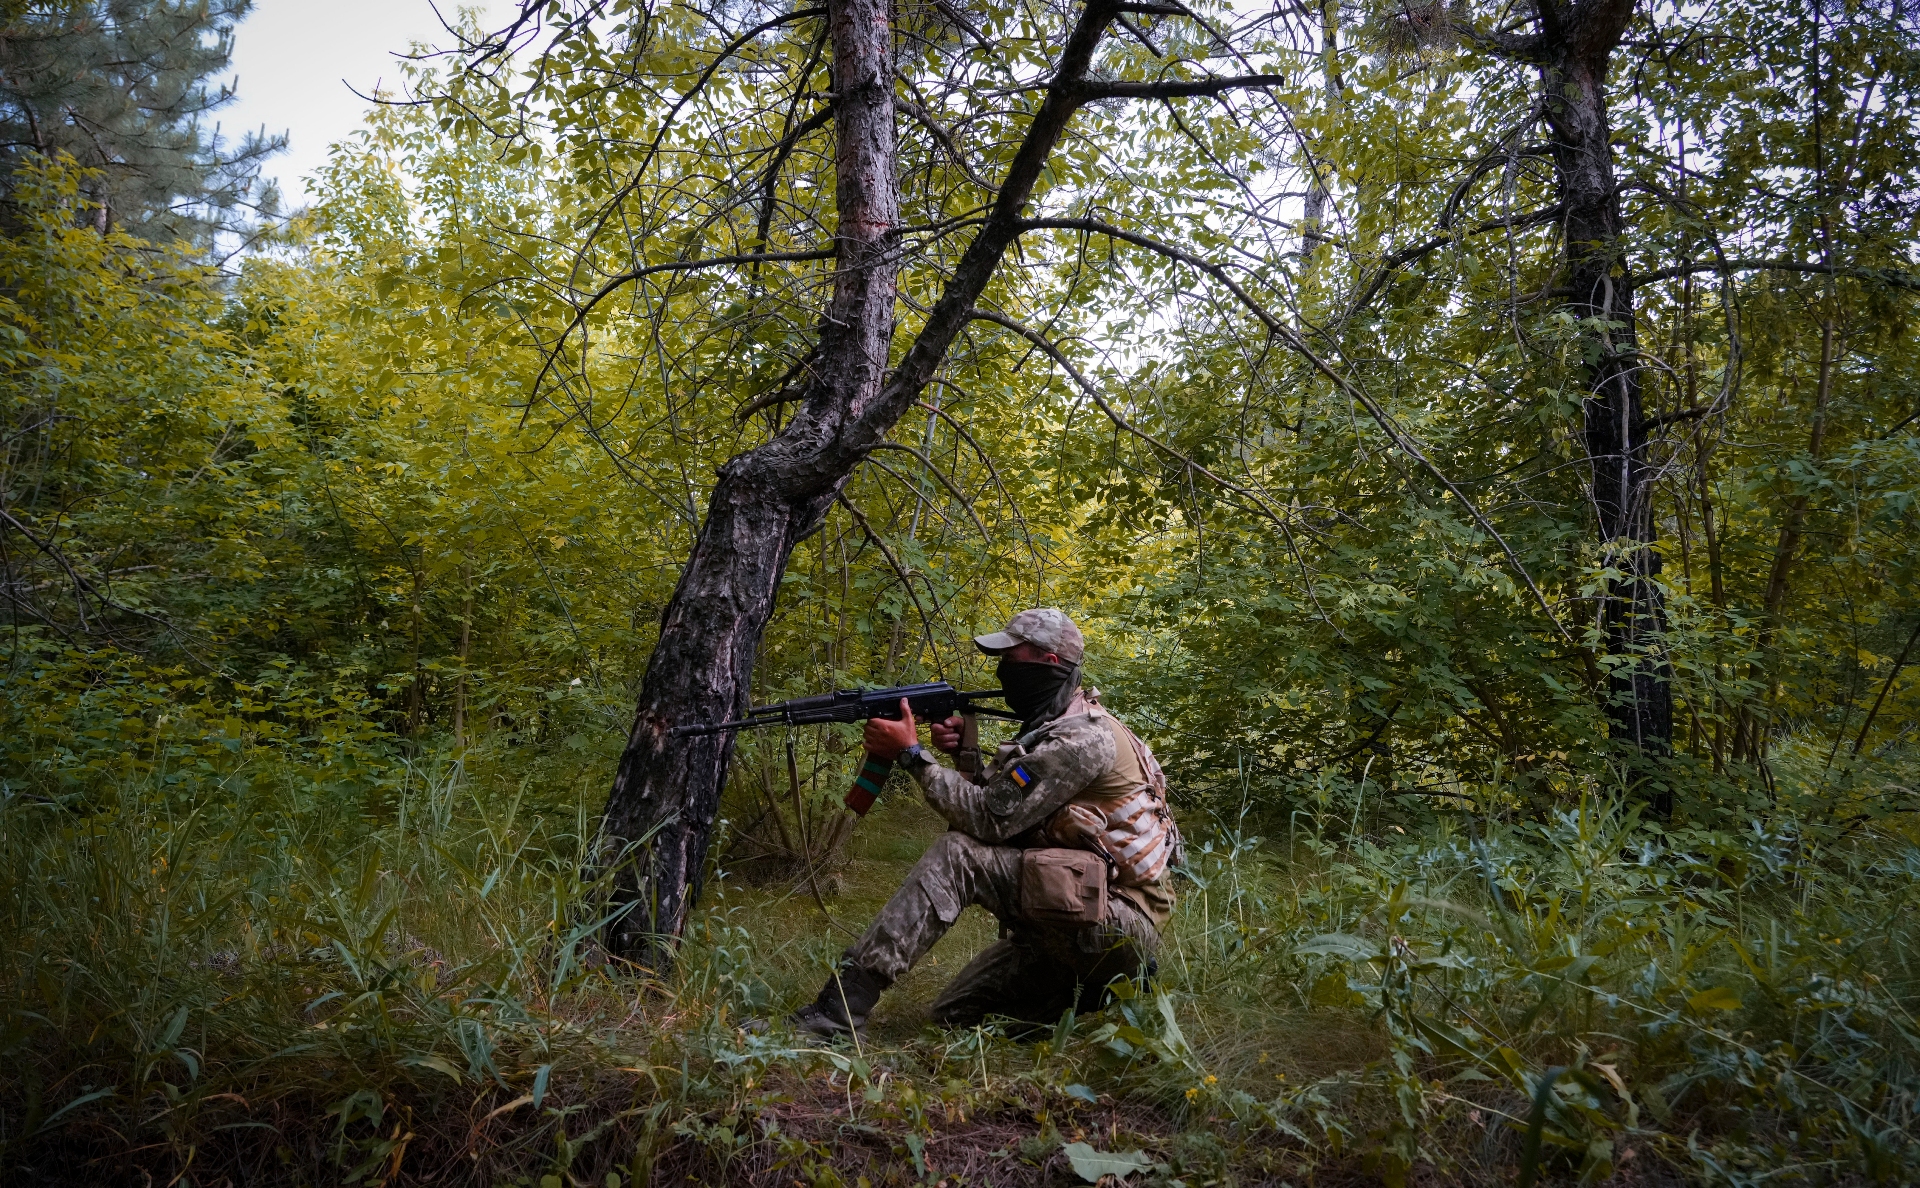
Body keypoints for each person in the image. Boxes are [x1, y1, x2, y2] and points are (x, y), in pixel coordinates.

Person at [791, 608, 1182, 1037]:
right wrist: (966, 753)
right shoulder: (1057, 725)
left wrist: (912, 755)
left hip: (1116, 928)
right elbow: (1006, 808)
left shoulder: (1082, 739)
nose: (1002, 670)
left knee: (958, 855)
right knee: (950, 1021)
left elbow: (986, 822)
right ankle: (1089, 993)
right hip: (1078, 912)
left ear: (1048, 663)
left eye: (1012, 658)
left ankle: (836, 1014)